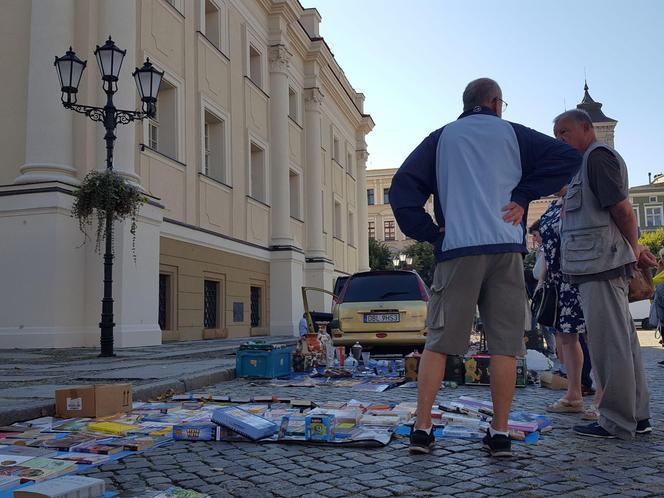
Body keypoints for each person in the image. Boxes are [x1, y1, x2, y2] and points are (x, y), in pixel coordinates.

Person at [390, 78, 581, 457]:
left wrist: (429, 232)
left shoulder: (441, 138)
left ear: (467, 104)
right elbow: (569, 159)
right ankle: (499, 431)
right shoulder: (514, 134)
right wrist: (524, 195)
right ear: (496, 103)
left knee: (439, 343)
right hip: (506, 249)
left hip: (457, 249)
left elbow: (401, 187)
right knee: (504, 348)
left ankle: (423, 428)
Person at [555, 108, 657, 439]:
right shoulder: (585, 164)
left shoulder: (597, 158)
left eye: (565, 132)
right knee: (622, 344)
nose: (561, 139)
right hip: (599, 262)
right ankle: (636, 417)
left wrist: (636, 248)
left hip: (601, 262)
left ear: (586, 129)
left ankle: (616, 420)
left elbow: (622, 208)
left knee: (608, 346)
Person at [537, 189, 601, 417]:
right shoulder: (555, 205)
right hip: (559, 280)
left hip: (583, 275)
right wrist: (542, 279)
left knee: (594, 336)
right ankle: (574, 395)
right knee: (566, 337)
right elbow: (547, 246)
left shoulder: (584, 197)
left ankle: (602, 399)